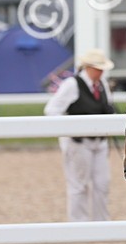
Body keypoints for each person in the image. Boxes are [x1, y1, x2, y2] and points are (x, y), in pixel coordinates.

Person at [44, 49, 116, 222]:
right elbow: (51, 110)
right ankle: (79, 223)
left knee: (102, 184)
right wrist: (68, 131)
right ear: (88, 67)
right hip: (78, 143)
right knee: (79, 185)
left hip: (100, 142)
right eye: (98, 68)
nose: (101, 72)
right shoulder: (71, 84)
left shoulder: (102, 84)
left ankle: (102, 222)